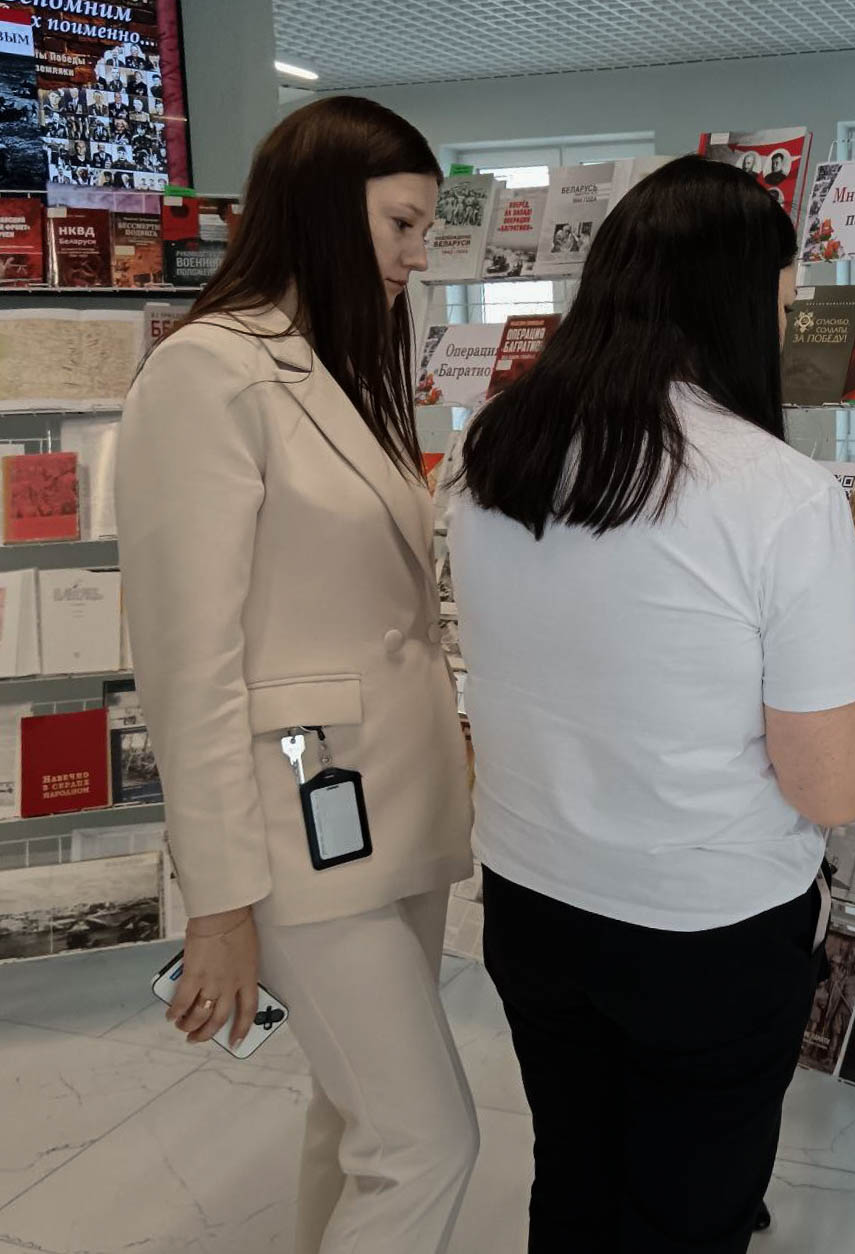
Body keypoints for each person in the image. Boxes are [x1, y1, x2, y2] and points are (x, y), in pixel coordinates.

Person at [447, 155, 855, 1253]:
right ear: (735, 307)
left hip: (531, 900)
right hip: (703, 931)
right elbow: (828, 782)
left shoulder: (495, 451)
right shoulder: (774, 493)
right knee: (691, 1212)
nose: (779, 333)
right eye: (778, 308)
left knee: (573, 1177)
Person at [115, 96, 477, 1254]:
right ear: (324, 209)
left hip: (390, 807)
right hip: (295, 821)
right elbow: (189, 664)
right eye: (401, 225)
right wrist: (219, 903)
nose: (417, 257)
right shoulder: (208, 374)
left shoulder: (340, 370)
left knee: (357, 1117)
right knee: (426, 1143)